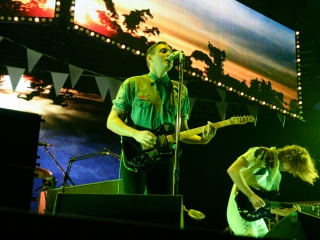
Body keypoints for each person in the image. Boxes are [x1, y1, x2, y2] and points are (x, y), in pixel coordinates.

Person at [107, 41, 216, 195]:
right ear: (150, 58)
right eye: (164, 51)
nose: (169, 54)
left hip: (165, 158)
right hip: (136, 153)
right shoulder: (132, 84)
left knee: (161, 208)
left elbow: (182, 132)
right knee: (132, 207)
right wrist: (136, 134)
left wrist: (202, 140)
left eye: (170, 51)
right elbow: (111, 121)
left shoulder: (181, 91)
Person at [226, 145, 319, 238]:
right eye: (293, 167)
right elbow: (233, 170)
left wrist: (280, 212)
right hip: (241, 208)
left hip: (254, 214)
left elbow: (264, 203)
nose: (291, 172)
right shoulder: (262, 153)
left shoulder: (276, 177)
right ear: (289, 158)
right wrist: (251, 195)